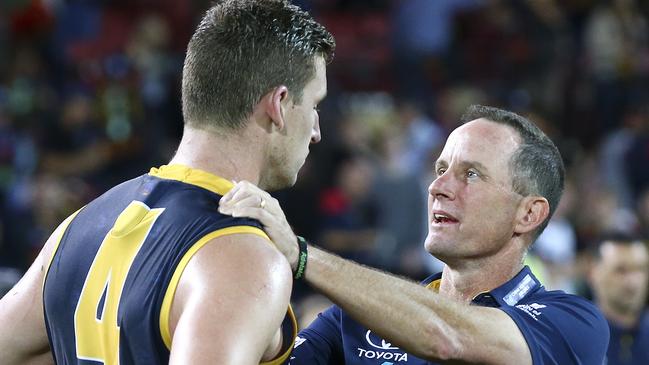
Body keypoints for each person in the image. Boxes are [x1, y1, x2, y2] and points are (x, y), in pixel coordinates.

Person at [0, 1, 334, 364]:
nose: (316, 131)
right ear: (279, 104)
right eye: (315, 105)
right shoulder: (245, 259)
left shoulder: (77, 228)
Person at [219, 105, 610, 364]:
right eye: (441, 168)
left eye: (471, 174)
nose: (438, 187)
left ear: (528, 213)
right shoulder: (353, 320)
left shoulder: (573, 324)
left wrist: (302, 256)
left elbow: (448, 335)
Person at [590, 232, 649, 365]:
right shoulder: (573, 337)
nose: (633, 282)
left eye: (640, 269)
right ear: (593, 272)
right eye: (621, 270)